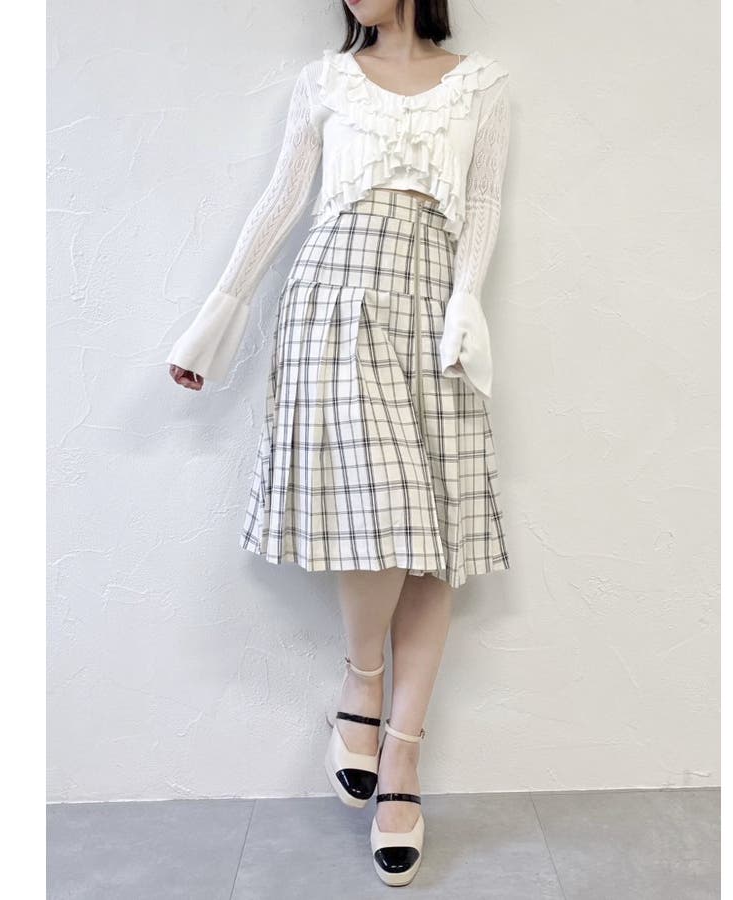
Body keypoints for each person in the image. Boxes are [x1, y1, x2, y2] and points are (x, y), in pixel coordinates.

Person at [166, 0, 511, 887]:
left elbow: (481, 202)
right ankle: (362, 677)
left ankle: (402, 757)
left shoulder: (481, 85)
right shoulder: (324, 81)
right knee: (379, 516)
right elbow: (284, 198)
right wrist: (217, 320)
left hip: (434, 306)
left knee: (437, 535)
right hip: (335, 296)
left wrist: (465, 304)